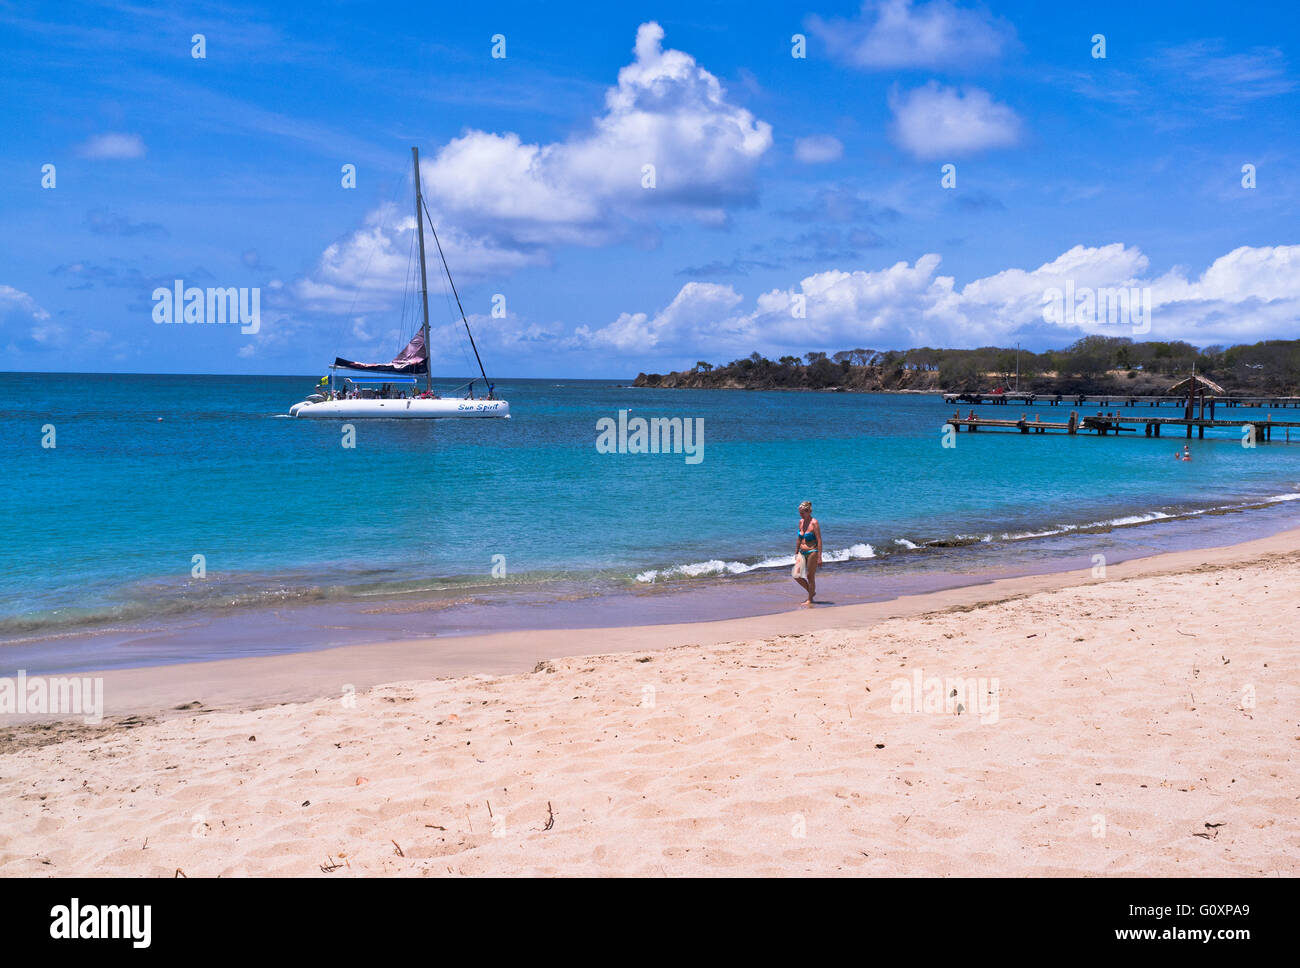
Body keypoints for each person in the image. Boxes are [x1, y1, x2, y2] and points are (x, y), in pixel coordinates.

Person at [792, 500, 822, 608]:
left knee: (810, 576)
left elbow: (819, 540)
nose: (800, 515)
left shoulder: (814, 522)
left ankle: (810, 599)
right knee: (796, 574)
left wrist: (819, 557)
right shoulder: (801, 522)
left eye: (802, 513)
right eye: (800, 513)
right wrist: (796, 552)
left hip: (812, 551)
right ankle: (811, 592)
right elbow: (799, 539)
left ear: (808, 511)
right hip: (801, 551)